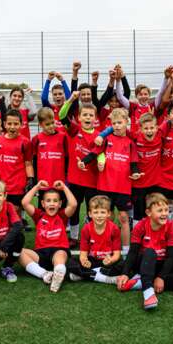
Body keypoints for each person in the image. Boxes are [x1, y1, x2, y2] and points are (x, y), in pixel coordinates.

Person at [116, 192, 173, 310]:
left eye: (166, 210)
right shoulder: (140, 226)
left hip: (161, 266)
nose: (164, 214)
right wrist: (125, 273)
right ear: (148, 212)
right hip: (144, 263)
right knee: (150, 252)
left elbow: (170, 257)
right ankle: (148, 293)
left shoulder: (171, 228)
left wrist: (161, 277)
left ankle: (139, 282)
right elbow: (133, 252)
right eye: (160, 210)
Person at [82, 108, 140, 248]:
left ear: (126, 122)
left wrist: (135, 172)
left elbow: (133, 163)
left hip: (123, 187)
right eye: (114, 123)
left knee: (124, 218)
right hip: (105, 185)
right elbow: (94, 153)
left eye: (120, 122)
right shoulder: (106, 139)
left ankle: (126, 249)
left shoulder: (130, 142)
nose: (117, 126)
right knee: (107, 217)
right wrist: (83, 162)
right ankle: (106, 246)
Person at [18, 180, 78, 293]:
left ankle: (58, 273)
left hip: (59, 250)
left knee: (60, 255)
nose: (51, 203)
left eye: (55, 201)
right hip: (41, 253)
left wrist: (64, 187)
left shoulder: (62, 216)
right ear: (43, 203)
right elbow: (25, 202)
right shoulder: (39, 216)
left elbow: (73, 204)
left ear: (60, 204)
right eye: (48, 201)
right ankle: (45, 274)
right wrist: (37, 186)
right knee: (19, 252)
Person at [60, 95, 100, 245]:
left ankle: (92, 236)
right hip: (75, 179)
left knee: (93, 210)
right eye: (85, 115)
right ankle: (74, 237)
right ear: (79, 117)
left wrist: (101, 162)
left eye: (91, 115)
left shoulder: (99, 136)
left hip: (92, 180)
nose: (88, 117)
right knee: (74, 208)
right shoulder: (74, 130)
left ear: (95, 118)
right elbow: (62, 116)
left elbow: (100, 153)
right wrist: (70, 100)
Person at [0, 110, 34, 221]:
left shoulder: (25, 142)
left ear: (21, 125)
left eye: (16, 124)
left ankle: (14, 235)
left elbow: (28, 163)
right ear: (4, 124)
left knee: (14, 211)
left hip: (17, 185)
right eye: (9, 124)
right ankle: (1, 234)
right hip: (0, 183)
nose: (12, 127)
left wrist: (30, 179)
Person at [67, 195, 124, 285]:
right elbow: (83, 253)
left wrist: (111, 260)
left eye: (102, 212)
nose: (99, 216)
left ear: (108, 213)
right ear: (90, 214)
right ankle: (104, 278)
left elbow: (117, 254)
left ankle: (85, 275)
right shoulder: (86, 228)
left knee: (123, 264)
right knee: (70, 262)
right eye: (96, 212)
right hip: (92, 260)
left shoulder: (114, 229)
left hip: (107, 261)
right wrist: (84, 261)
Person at [31, 107, 69, 205]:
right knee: (43, 207)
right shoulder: (36, 139)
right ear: (40, 124)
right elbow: (34, 160)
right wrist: (35, 179)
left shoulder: (63, 137)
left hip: (59, 180)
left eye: (53, 122)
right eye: (47, 124)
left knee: (61, 206)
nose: (51, 126)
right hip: (44, 181)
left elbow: (67, 158)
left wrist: (66, 176)